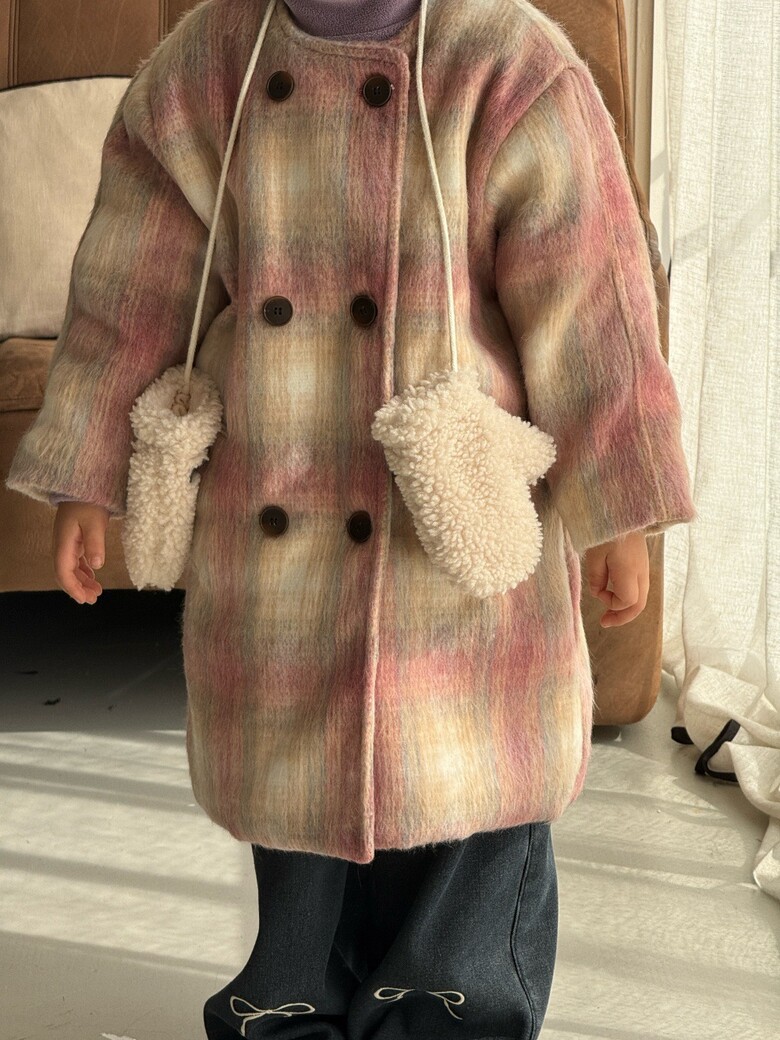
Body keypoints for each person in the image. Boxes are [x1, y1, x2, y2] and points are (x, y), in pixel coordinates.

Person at [5, 0, 697, 1036]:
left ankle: (451, 1015)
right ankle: (288, 1008)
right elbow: (131, 287)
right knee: (296, 797)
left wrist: (621, 510)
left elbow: (589, 300)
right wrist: (89, 472)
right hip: (275, 515)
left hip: (449, 537)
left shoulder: (504, 63)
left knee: (474, 792)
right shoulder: (204, 67)